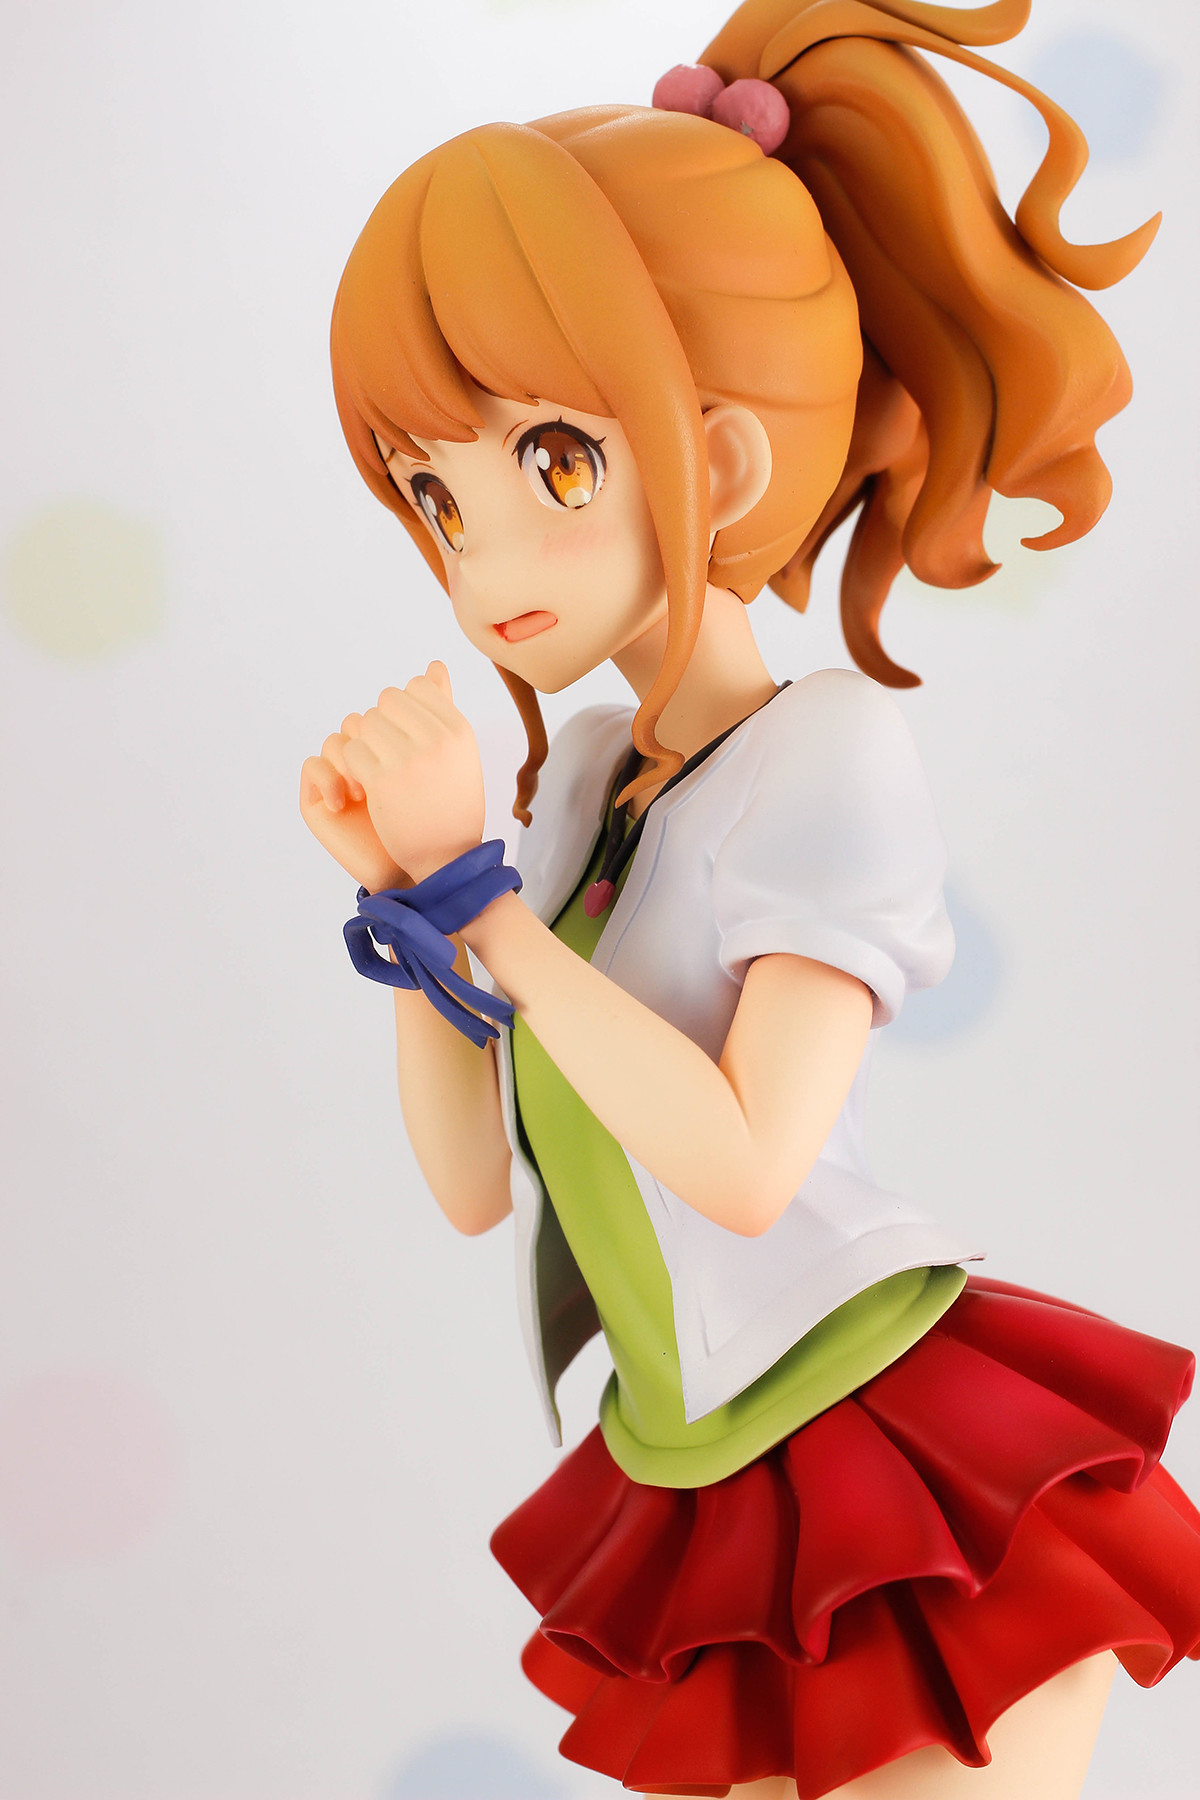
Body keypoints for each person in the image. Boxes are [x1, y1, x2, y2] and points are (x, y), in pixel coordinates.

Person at [300, 3, 1200, 1794]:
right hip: (694, 1456)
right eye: (434, 494)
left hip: (892, 1451)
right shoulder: (579, 778)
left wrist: (482, 908)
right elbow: (478, 1191)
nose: (480, 557)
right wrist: (416, 906)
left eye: (551, 462)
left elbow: (744, 1158)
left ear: (713, 461)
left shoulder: (830, 750)